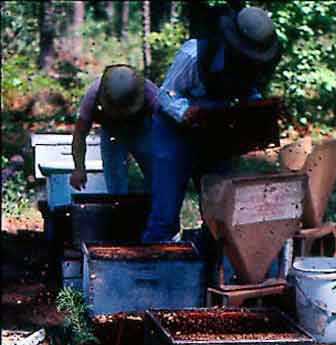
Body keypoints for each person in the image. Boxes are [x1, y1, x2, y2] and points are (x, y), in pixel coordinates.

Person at [142, 6, 282, 243]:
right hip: (174, 133)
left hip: (214, 133)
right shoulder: (194, 53)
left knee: (221, 210)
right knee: (164, 214)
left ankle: (209, 267)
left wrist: (260, 115)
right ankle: (152, 271)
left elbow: (251, 95)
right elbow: (166, 95)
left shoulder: (252, 66)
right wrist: (185, 112)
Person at [70, 64, 158, 194]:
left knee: (158, 175)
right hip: (111, 133)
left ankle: (158, 209)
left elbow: (166, 127)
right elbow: (79, 135)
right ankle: (119, 208)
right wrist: (79, 168)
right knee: (115, 181)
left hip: (143, 130)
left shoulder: (151, 93)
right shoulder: (92, 96)